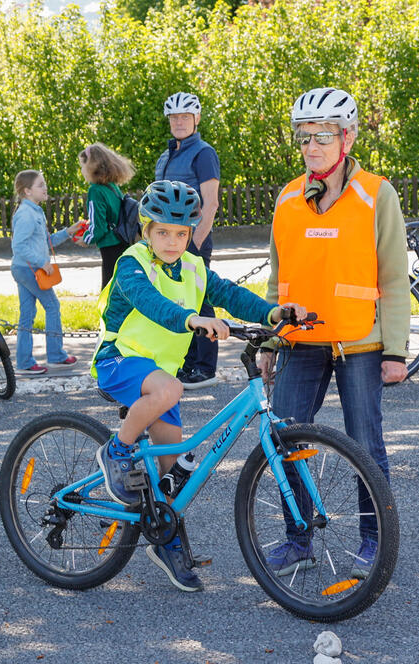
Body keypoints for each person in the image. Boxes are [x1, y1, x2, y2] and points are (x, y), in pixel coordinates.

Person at [92, 180, 304, 593]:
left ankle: (165, 538)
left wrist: (273, 310)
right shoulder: (133, 263)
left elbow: (228, 293)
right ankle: (116, 451)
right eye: (162, 232)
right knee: (172, 390)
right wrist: (192, 319)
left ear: (191, 234)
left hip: (160, 378)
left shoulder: (192, 267)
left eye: (181, 233)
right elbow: (151, 302)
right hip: (119, 360)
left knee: (176, 478)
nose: (172, 242)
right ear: (146, 231)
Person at [258, 88, 408, 580]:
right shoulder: (286, 198)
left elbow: (392, 277)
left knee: (365, 441)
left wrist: (396, 350)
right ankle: (298, 538)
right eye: (304, 138)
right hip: (300, 342)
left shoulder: (376, 194)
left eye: (322, 136)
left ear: (348, 136)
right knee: (284, 438)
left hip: (360, 343)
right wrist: (271, 338)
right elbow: (278, 278)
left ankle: (373, 541)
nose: (312, 147)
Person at [154, 92, 222, 389]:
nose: (179, 122)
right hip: (169, 242)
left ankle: (205, 367)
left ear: (196, 119)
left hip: (192, 242)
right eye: (174, 117)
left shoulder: (203, 153)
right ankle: (186, 363)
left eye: (185, 117)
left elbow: (211, 203)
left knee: (201, 300)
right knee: (179, 299)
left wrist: (194, 246)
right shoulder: (167, 155)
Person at [10, 170, 86, 376]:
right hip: (28, 269)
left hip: (25, 268)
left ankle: (24, 362)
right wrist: (41, 263)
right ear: (27, 191)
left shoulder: (35, 211)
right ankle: (56, 356)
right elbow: (19, 246)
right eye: (40, 185)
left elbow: (46, 242)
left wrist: (68, 232)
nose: (45, 188)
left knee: (27, 314)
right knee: (52, 306)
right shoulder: (26, 214)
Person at [78, 143, 137, 288]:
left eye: (82, 165)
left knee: (109, 288)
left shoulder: (95, 191)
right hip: (122, 241)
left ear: (92, 166)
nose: (81, 170)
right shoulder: (113, 187)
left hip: (110, 245)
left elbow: (99, 228)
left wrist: (85, 239)